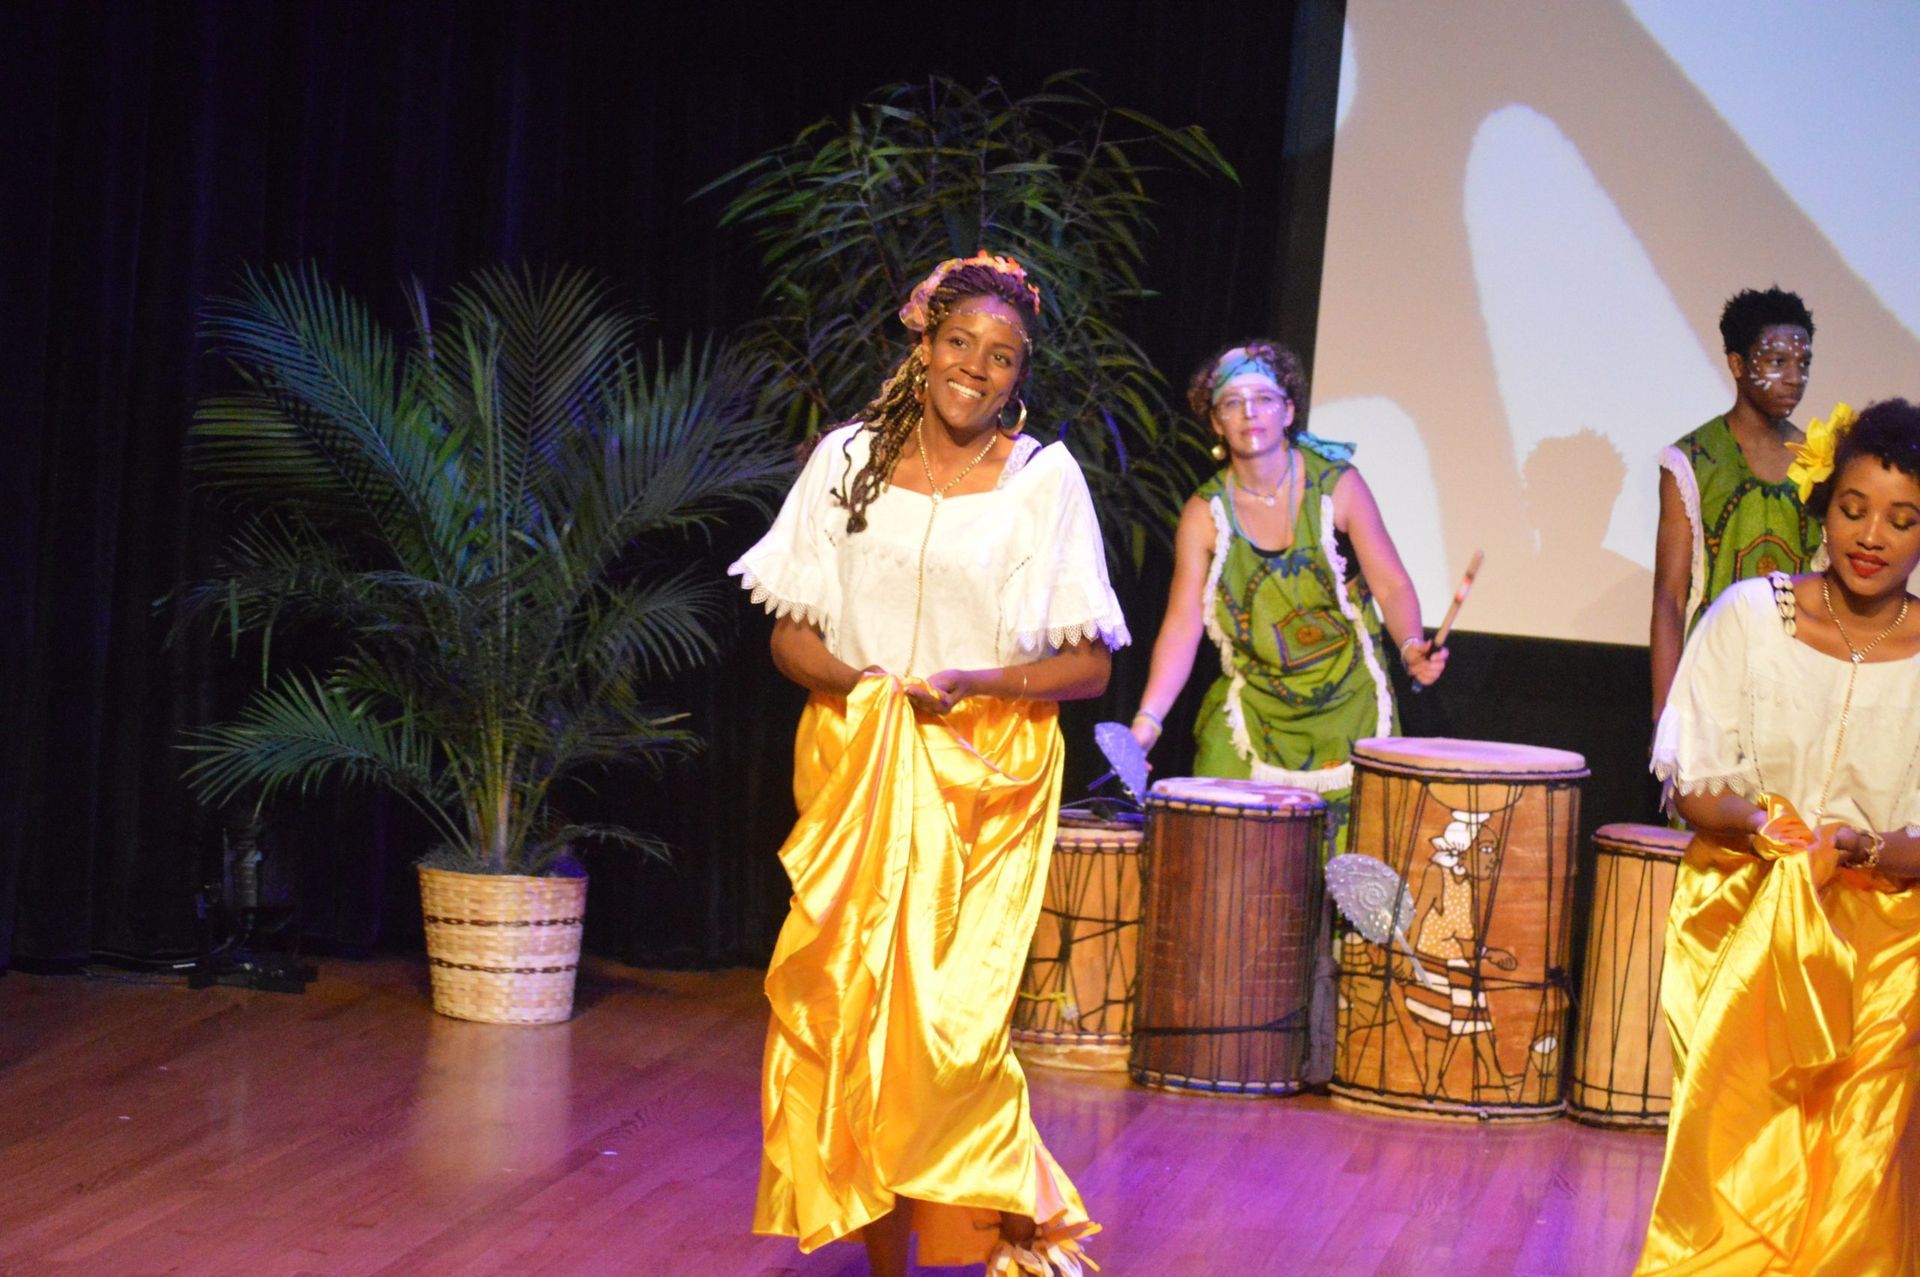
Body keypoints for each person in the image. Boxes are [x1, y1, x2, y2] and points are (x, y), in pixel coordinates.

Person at [729, 251, 1125, 1277]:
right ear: (924, 342)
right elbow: (787, 636)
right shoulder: (845, 459)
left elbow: (1088, 665)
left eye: (1001, 356)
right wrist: (861, 676)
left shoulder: (1044, 480)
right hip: (859, 758)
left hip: (983, 776)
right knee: (857, 1017)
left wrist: (981, 678)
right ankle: (886, 1265)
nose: (976, 369)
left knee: (949, 1032)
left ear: (1018, 371)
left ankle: (1017, 1227)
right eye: (960, 344)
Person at [1637, 398, 1920, 1275]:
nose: (1872, 534)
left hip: (1888, 947)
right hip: (1743, 916)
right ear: (1823, 506)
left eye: (1903, 518)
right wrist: (1769, 825)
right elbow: (1690, 786)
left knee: (1858, 1176)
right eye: (1853, 507)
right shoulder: (1747, 617)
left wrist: (1859, 849)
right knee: (1738, 1165)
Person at [1127, 339, 1446, 857]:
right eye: (1232, 402)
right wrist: (1147, 722)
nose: (1250, 412)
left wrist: (1411, 646)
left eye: (1265, 399)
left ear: (1289, 410)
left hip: (1350, 710)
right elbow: (1183, 623)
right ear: (1215, 422)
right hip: (1255, 709)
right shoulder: (1203, 515)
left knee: (1347, 875)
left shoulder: (1337, 487)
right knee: (1224, 866)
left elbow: (1389, 582)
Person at [1650, 287, 1819, 719]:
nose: (1794, 377)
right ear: (1738, 365)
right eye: (1777, 362)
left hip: (1796, 688)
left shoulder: (1820, 461)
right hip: (1710, 687)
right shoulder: (1692, 460)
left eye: (1803, 364)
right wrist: (1664, 715)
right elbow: (1670, 597)